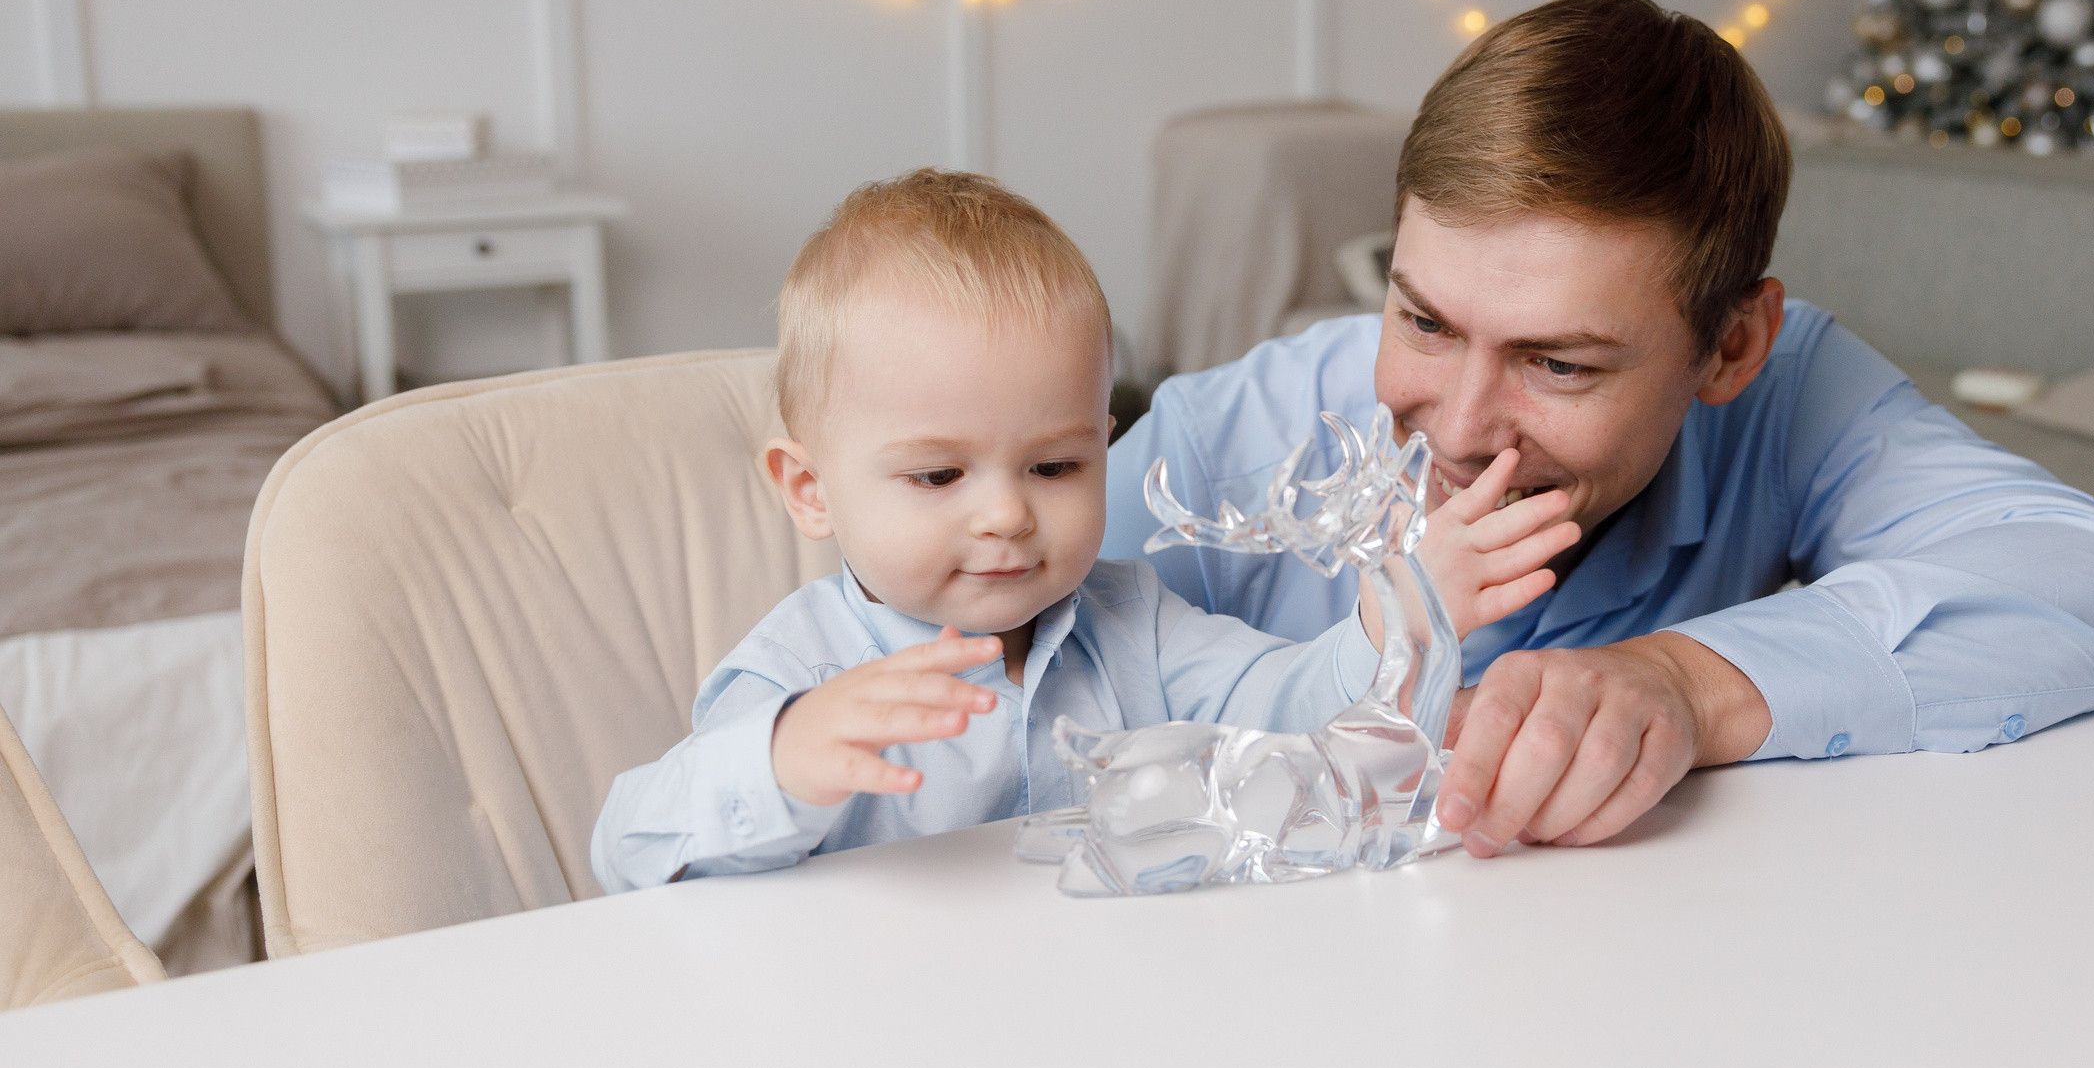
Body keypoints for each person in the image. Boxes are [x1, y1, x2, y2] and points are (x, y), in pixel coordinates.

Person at [1105, 0, 2094, 861]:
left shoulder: (1792, 393)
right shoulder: (1221, 443)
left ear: (1729, 348)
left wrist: (1685, 680)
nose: (1461, 424)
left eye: (1557, 363)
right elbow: (967, 685)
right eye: (1424, 322)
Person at [590, 170, 1559, 892]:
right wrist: (782, 757)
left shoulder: (1133, 622)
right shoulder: (803, 667)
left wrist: (1402, 617)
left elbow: (1285, 709)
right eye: (938, 475)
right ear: (809, 489)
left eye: (1056, 467)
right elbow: (626, 850)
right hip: (873, 1047)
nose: (1007, 513)